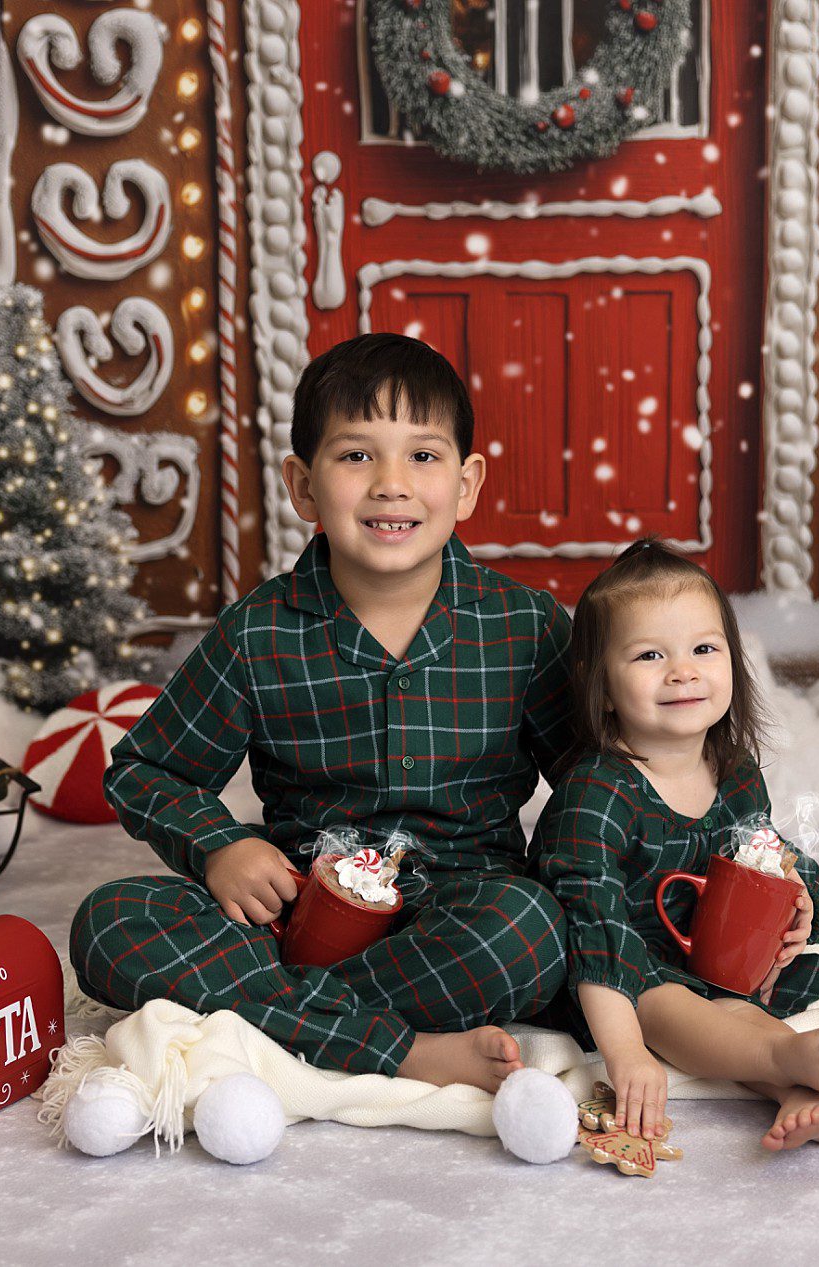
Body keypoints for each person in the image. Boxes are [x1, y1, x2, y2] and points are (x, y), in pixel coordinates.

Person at [73, 333, 572, 1091]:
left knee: (530, 929)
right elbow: (146, 769)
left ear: (467, 483)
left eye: (424, 457)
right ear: (303, 486)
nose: (392, 485)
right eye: (357, 456)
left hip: (463, 914)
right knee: (110, 923)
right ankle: (403, 1048)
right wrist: (218, 847)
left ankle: (293, 1025)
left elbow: (608, 780)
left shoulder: (525, 626)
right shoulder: (259, 631)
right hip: (302, 920)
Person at [535, 539, 819, 1150]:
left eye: (704, 649)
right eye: (650, 655)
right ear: (601, 684)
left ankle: (801, 1094)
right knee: (667, 1007)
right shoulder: (598, 793)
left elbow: (762, 854)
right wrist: (626, 1054)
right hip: (613, 977)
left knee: (735, 1006)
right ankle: (788, 1060)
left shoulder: (732, 768)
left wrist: (795, 898)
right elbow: (593, 925)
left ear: (734, 661)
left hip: (707, 958)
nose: (683, 671)